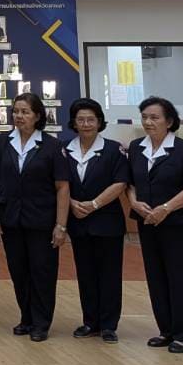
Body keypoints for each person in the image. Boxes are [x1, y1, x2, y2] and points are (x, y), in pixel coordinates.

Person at [0, 93, 70, 341]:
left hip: (42, 220)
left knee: (42, 272)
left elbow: (62, 186)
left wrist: (61, 225)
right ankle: (27, 318)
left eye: (25, 112)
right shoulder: (2, 142)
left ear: (37, 115)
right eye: (16, 111)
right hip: (11, 219)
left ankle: (41, 323)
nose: (19, 116)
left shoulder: (52, 146)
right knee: (19, 271)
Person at [126, 96, 183, 354]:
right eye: (145, 117)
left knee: (181, 277)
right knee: (156, 276)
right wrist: (134, 202)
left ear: (169, 121)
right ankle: (166, 330)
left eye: (154, 117)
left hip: (179, 224)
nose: (148, 122)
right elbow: (130, 183)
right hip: (148, 222)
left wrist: (166, 208)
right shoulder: (136, 147)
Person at [64, 98, 129, 342]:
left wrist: (93, 205)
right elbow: (58, 183)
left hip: (107, 222)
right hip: (77, 220)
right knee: (85, 273)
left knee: (109, 274)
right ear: (74, 123)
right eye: (80, 119)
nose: (86, 124)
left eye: (91, 119)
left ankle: (109, 325)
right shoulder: (64, 150)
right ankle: (90, 322)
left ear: (99, 121)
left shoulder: (114, 150)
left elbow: (120, 183)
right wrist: (72, 203)